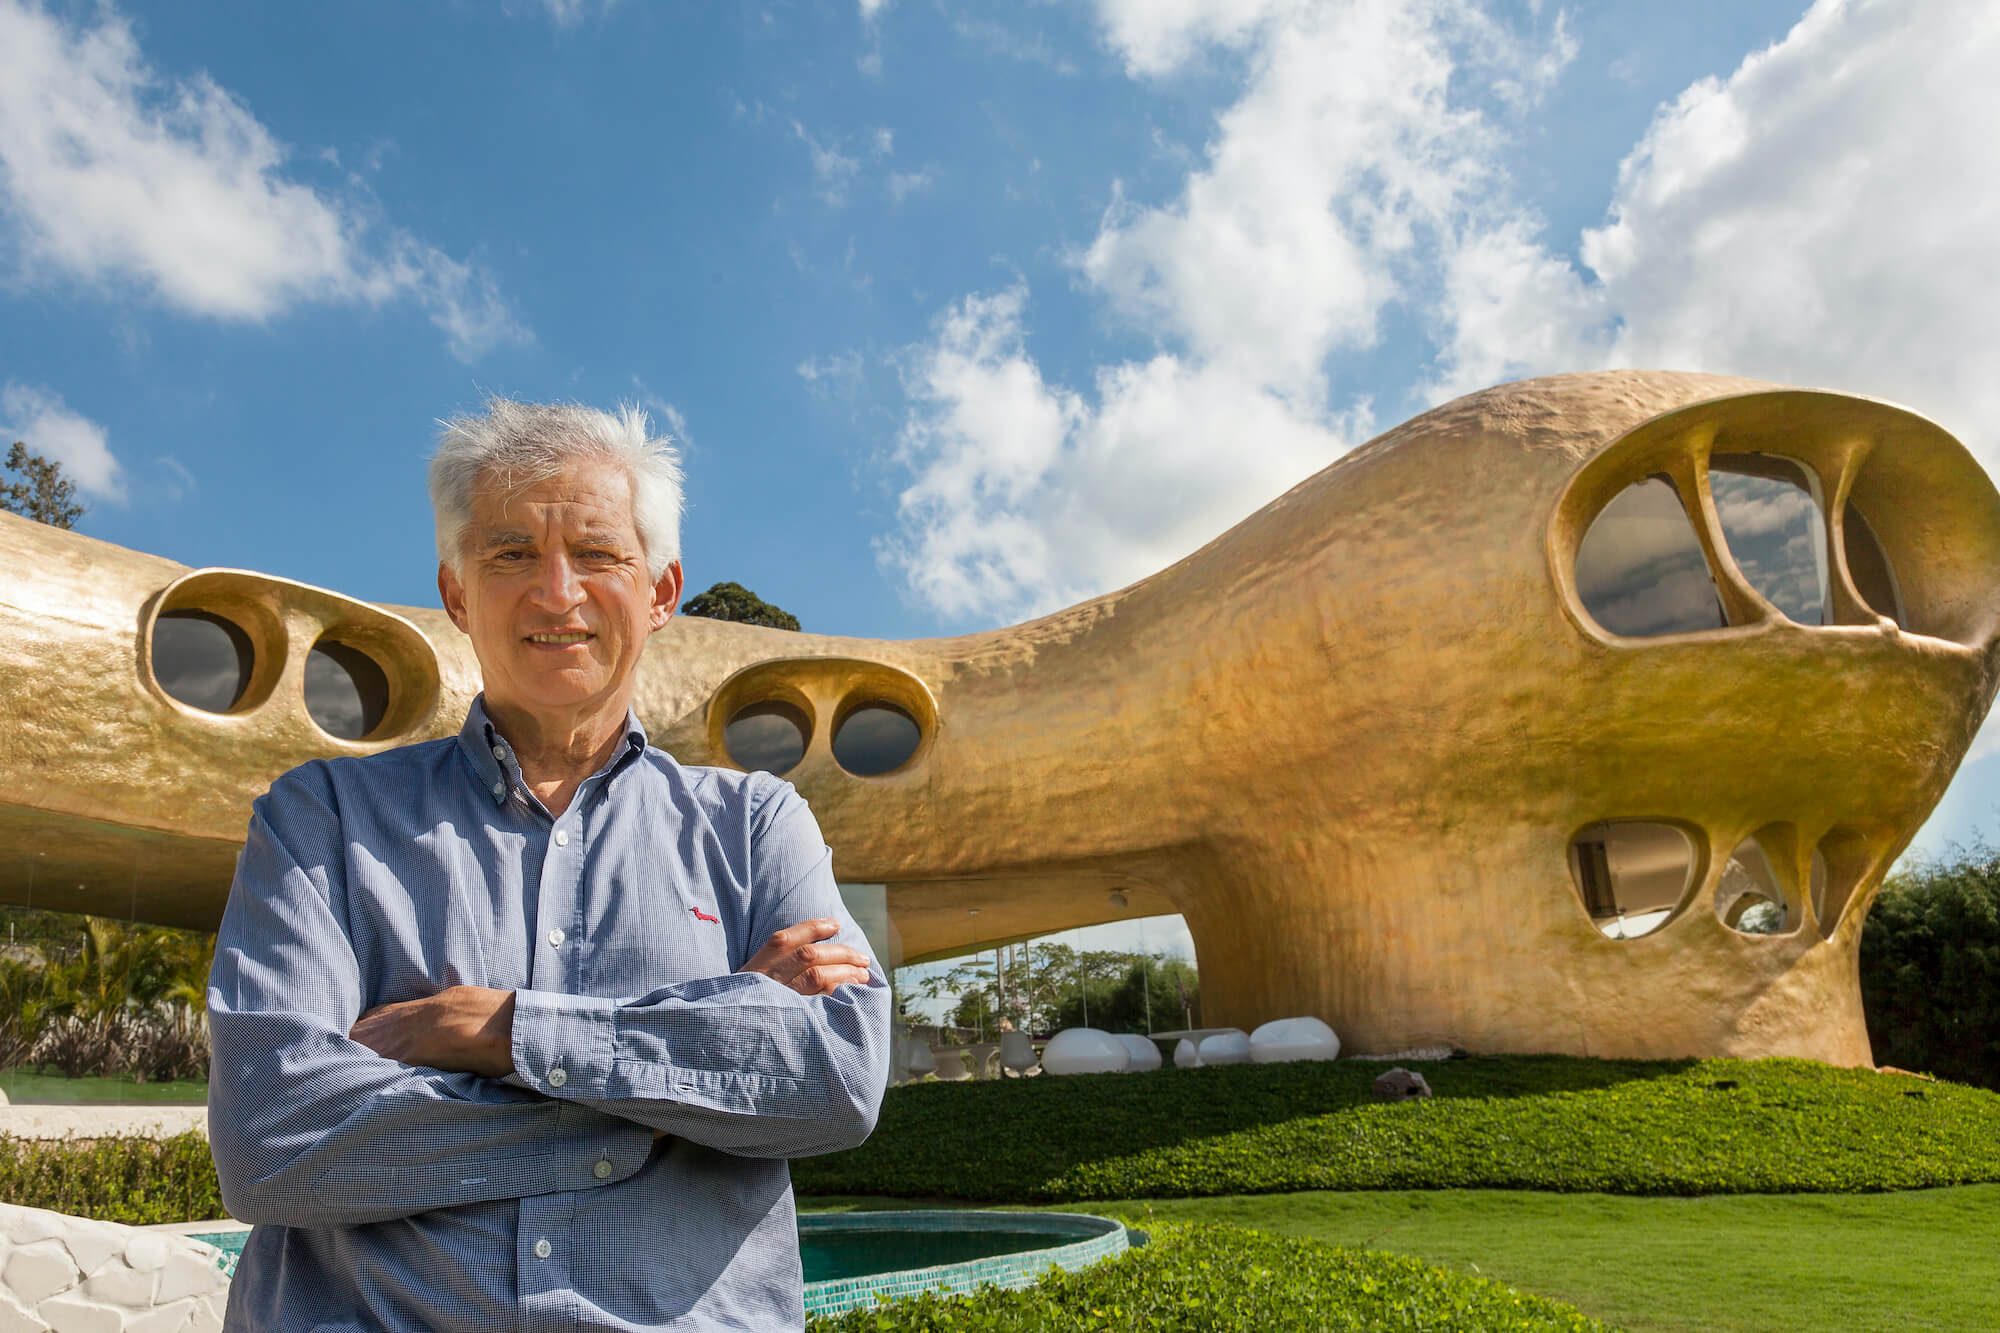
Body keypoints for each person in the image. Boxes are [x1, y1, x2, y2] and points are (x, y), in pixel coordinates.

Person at [207, 399, 890, 1331]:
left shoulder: (756, 824)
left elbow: (836, 1081)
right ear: (456, 591)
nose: (557, 591)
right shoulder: (321, 821)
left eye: (599, 554)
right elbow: (272, 1139)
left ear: (660, 589)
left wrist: (495, 1030)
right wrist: (680, 1083)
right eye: (512, 553)